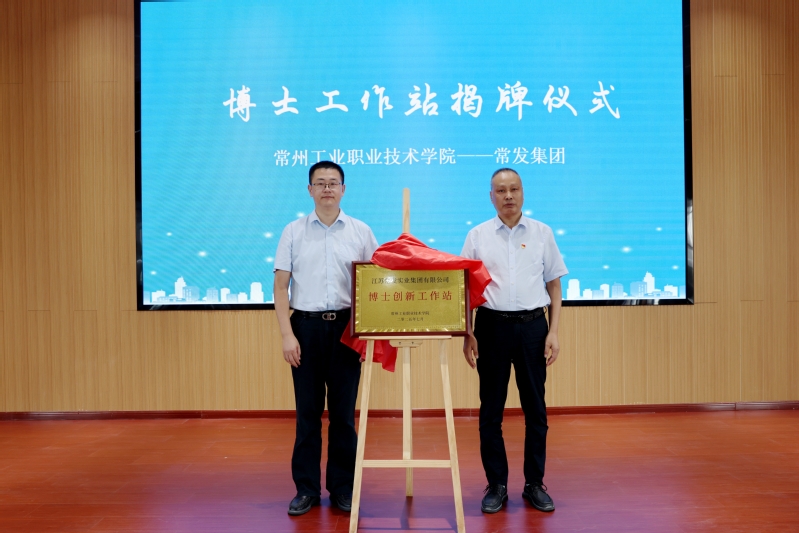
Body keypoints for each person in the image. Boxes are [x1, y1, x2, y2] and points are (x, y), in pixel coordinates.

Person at [273, 161, 379, 516]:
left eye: (333, 183)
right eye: (320, 183)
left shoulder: (361, 231)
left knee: (343, 416)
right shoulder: (293, 231)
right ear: (310, 190)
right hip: (305, 328)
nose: (327, 189)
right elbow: (280, 287)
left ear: (343, 189)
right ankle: (306, 489)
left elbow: (374, 285)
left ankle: (343, 487)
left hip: (347, 328)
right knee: (307, 414)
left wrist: (366, 335)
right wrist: (287, 335)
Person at [460, 167, 567, 514]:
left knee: (536, 409)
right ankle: (497, 485)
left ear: (523, 192)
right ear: (491, 196)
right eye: (501, 190)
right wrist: (468, 332)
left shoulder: (542, 233)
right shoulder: (477, 236)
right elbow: (467, 289)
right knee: (491, 411)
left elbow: (554, 285)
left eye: (514, 189)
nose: (508, 196)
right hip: (491, 327)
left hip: (534, 327)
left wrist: (553, 331)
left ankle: (534, 483)